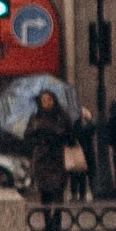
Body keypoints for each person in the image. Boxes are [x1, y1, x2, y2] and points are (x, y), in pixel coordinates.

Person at [21, 89, 70, 222]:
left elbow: (70, 135)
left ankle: (57, 219)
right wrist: (36, 134)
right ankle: (47, 220)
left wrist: (57, 133)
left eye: (49, 100)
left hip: (57, 156)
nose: (46, 103)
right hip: (41, 157)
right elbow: (27, 135)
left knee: (58, 189)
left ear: (54, 101)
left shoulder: (61, 116)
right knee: (45, 190)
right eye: (43, 100)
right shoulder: (35, 117)